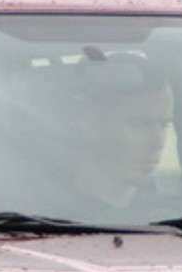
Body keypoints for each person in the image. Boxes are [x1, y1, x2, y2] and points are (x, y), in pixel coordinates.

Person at [63, 55, 173, 210]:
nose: (158, 142)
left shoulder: (172, 213)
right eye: (140, 124)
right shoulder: (42, 210)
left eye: (164, 124)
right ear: (88, 123)